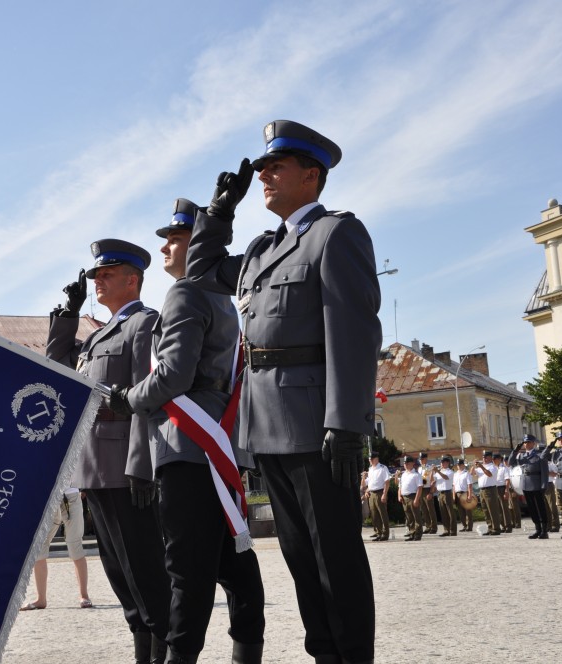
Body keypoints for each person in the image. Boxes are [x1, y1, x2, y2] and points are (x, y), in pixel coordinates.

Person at [187, 120, 381, 664]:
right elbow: (199, 272)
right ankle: (325, 653)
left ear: (311, 177)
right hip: (267, 422)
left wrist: (346, 423)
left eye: (277, 167)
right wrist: (219, 211)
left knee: (335, 558)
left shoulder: (335, 234)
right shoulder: (260, 249)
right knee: (299, 557)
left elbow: (354, 331)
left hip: (318, 422)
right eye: (263, 168)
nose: (265, 175)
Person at [108, 199, 266, 664]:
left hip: (184, 444)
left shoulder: (184, 294)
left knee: (186, 573)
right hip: (215, 442)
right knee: (232, 566)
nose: (165, 246)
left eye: (174, 237)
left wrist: (127, 399)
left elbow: (173, 376)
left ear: (198, 244)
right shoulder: (221, 297)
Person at [46, 239, 170, 664]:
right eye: (95, 275)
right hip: (94, 469)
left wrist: (141, 465)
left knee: (146, 578)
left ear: (132, 280)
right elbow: (58, 370)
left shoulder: (145, 325)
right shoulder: (99, 334)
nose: (97, 280)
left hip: (125, 470)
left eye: (106, 274)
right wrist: (66, 316)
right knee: (122, 579)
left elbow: (144, 399)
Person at [19, 487, 93, 611]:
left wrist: (84, 486)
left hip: (71, 496)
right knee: (39, 548)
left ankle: (84, 596)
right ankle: (41, 599)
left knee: (75, 547)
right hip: (47, 497)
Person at [508, 434, 550, 539]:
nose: (526, 444)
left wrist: (544, 485)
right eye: (525, 443)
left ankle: (544, 530)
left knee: (541, 509)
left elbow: (545, 472)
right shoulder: (521, 456)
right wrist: (515, 450)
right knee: (532, 509)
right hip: (526, 485)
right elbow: (510, 462)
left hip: (537, 485)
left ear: (534, 443)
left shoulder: (539, 455)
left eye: (529, 442)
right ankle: (537, 529)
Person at [472, 451, 503, 536]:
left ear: (490, 458)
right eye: (483, 457)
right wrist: (473, 465)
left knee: (493, 510)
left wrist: (481, 466)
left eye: (486, 457)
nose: (484, 459)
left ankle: (496, 528)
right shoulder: (482, 467)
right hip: (482, 490)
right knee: (486, 510)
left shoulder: (493, 467)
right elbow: (472, 473)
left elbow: (489, 474)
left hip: (490, 490)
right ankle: (490, 528)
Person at [364, 450, 392, 542]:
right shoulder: (370, 469)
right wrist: (367, 490)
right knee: (374, 515)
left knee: (383, 514)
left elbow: (387, 482)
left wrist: (384, 494)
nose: (370, 461)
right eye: (369, 459)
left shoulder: (383, 468)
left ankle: (385, 534)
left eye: (372, 459)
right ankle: (378, 532)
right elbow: (370, 482)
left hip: (380, 492)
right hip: (372, 493)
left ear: (376, 459)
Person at [396, 456, 423, 542]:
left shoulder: (416, 475)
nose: (406, 465)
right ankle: (412, 533)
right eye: (405, 463)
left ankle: (418, 534)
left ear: (412, 464)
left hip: (412, 496)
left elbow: (420, 488)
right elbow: (400, 486)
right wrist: (399, 496)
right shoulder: (403, 475)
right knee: (409, 517)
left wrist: (416, 499)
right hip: (405, 497)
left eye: (407, 463)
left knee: (416, 517)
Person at [433, 456, 456, 537]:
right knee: (443, 513)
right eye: (441, 462)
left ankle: (453, 530)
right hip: (440, 493)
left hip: (447, 493)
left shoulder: (450, 471)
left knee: (450, 512)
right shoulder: (438, 472)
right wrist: (431, 472)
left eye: (444, 462)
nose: (442, 464)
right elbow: (433, 481)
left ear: (447, 463)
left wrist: (438, 472)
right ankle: (446, 530)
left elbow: (446, 477)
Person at [492, 453, 513, 533]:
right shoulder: (493, 468)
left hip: (502, 488)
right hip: (494, 488)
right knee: (498, 509)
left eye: (495, 459)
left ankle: (508, 526)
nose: (493, 461)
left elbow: (507, 480)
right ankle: (502, 525)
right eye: (493, 459)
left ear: (499, 459)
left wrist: (506, 490)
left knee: (504, 508)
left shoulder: (504, 468)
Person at [452, 459, 474, 532]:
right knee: (460, 511)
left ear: (463, 465)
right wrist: (453, 495)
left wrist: (469, 495)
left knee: (467, 511)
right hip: (457, 493)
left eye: (460, 464)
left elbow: (469, 485)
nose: (459, 466)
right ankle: (464, 525)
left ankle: (469, 526)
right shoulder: (455, 474)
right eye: (458, 464)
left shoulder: (467, 473)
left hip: (465, 493)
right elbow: (454, 486)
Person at [418, 452, 438, 534]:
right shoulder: (419, 469)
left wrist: (431, 492)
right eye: (420, 459)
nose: (421, 461)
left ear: (426, 459)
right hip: (421, 490)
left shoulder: (430, 468)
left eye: (422, 459)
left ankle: (433, 527)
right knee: (424, 510)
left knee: (430, 510)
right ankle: (428, 526)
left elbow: (433, 481)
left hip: (427, 489)